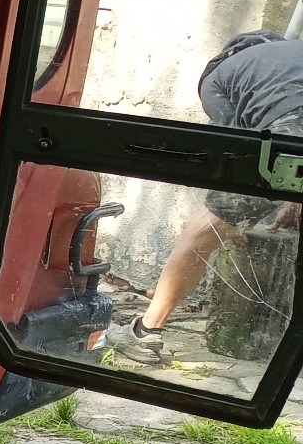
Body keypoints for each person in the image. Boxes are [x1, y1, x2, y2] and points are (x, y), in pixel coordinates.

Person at [104, 30, 303, 365]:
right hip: (292, 130)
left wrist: (233, 217)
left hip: (289, 133)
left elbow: (235, 150)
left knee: (204, 232)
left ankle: (145, 333)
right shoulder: (290, 55)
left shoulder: (216, 79)